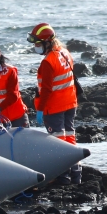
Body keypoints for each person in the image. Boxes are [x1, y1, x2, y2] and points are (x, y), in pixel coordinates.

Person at [28, 22, 81, 183]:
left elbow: (46, 90)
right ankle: (76, 173)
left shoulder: (48, 62)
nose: (35, 46)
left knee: (58, 141)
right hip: (70, 103)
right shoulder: (64, 53)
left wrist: (40, 109)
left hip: (55, 107)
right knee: (70, 138)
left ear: (47, 42)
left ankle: (63, 176)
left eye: (38, 43)